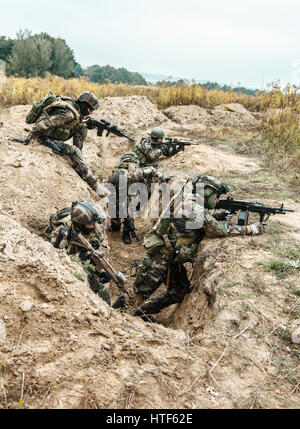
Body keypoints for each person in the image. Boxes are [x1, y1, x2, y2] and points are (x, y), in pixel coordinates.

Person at [132, 175, 265, 320]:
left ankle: (143, 312)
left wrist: (218, 215)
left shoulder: (188, 199)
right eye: (216, 196)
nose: (217, 200)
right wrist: (250, 229)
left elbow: (200, 221)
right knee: (135, 297)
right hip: (158, 258)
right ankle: (118, 319)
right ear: (207, 192)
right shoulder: (192, 207)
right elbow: (218, 229)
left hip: (171, 259)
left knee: (180, 291)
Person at [14, 91, 106, 196]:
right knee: (74, 151)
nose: (90, 113)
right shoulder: (69, 114)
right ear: (85, 105)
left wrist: (86, 123)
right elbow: (42, 124)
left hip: (49, 137)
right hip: (42, 138)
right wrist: (28, 140)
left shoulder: (73, 106)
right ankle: (95, 185)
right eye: (90, 110)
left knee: (82, 128)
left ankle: (78, 160)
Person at [47, 200, 125, 308]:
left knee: (104, 293)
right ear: (81, 225)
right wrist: (81, 259)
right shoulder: (63, 233)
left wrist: (100, 271)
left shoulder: (94, 231)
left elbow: (93, 251)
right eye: (91, 224)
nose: (94, 226)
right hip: (70, 267)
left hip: (84, 260)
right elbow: (56, 259)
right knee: (102, 295)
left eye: (94, 223)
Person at [108, 151, 172, 244]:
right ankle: (116, 226)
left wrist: (163, 179)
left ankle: (126, 231)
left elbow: (151, 169)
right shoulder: (114, 175)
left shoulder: (135, 173)